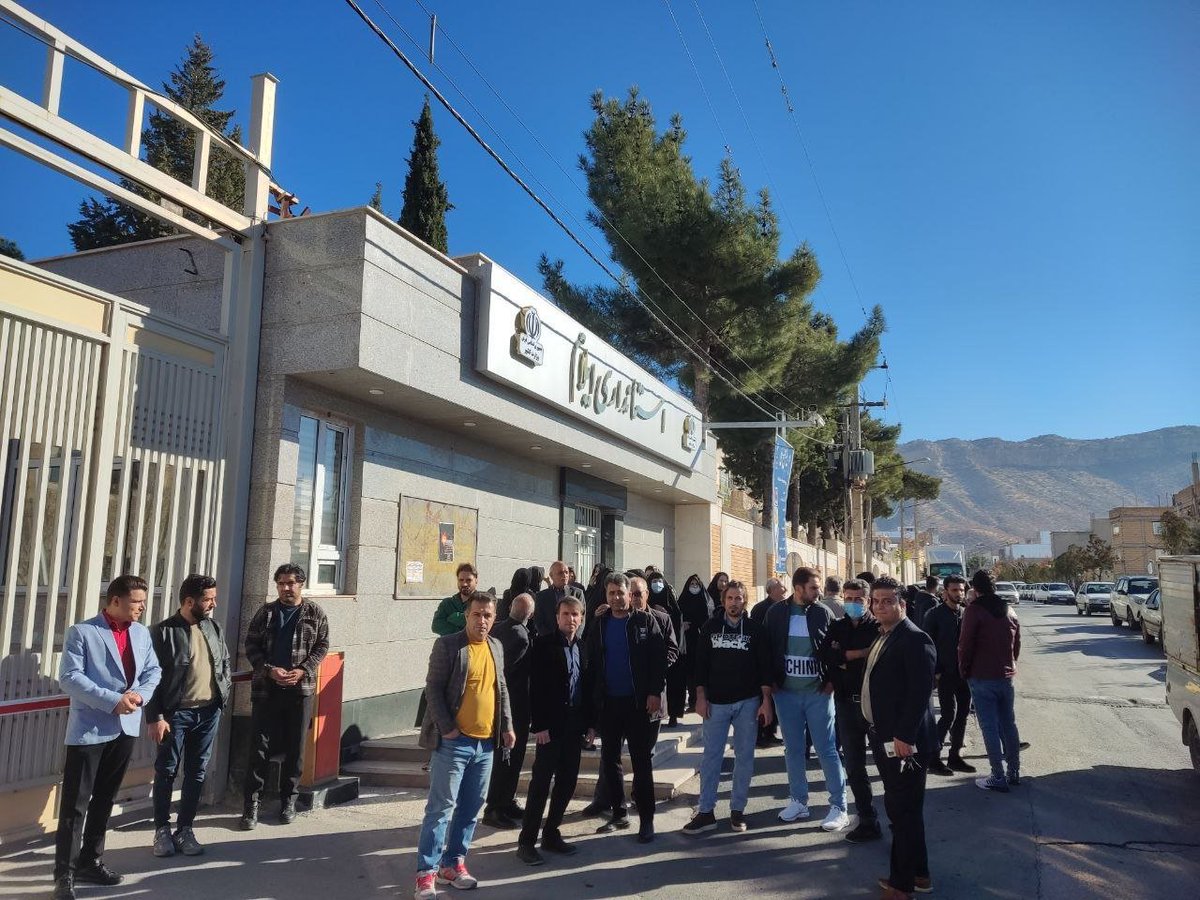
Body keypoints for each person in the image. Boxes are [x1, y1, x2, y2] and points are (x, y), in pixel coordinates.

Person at [53, 575, 162, 900]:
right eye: (136, 602)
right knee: (75, 805)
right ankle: (64, 875)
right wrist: (111, 700)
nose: (142, 607)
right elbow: (69, 678)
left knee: (104, 799)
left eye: (143, 602)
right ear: (115, 601)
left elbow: (152, 671)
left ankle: (91, 861)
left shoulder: (141, 633)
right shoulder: (83, 632)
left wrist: (139, 697)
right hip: (89, 729)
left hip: (125, 727)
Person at [415, 592, 516, 899]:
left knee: (471, 808)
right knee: (440, 809)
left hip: (485, 745)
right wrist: (447, 728)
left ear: (494, 617)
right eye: (477, 614)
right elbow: (432, 688)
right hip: (454, 743)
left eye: (488, 615)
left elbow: (502, 689)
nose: (482, 620)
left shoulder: (496, 646)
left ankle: (453, 864)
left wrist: (508, 726)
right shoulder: (448, 645)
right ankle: (425, 874)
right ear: (466, 616)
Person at [146, 574, 233, 858]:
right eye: (208, 599)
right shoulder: (162, 632)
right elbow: (151, 679)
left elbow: (225, 663)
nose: (213, 604)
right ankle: (161, 830)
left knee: (197, 772)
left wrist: (223, 698)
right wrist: (155, 716)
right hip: (175, 715)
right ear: (189, 601)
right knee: (167, 771)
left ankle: (185, 829)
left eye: (214, 598)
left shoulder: (214, 627)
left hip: (208, 712)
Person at [861, 576, 937, 899]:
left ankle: (901, 886)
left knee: (901, 812)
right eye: (876, 601)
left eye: (888, 601)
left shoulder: (915, 639)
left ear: (902, 605)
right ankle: (920, 875)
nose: (880, 606)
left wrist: (904, 736)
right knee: (908, 810)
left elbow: (920, 694)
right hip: (885, 736)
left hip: (903, 743)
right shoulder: (886, 634)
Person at [240, 563, 330, 830]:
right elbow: (251, 645)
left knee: (295, 748)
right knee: (259, 747)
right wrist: (269, 670)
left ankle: (288, 801)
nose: (285, 588)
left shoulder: (314, 613)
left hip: (299, 691)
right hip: (267, 689)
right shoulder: (266, 613)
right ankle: (251, 804)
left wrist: (303, 670)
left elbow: (322, 645)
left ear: (301, 584)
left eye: (290, 583)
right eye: (281, 583)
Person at [683, 580, 773, 835]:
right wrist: (700, 696)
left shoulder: (756, 629)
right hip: (716, 704)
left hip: (748, 702)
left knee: (744, 757)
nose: (735, 603)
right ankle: (706, 811)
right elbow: (700, 666)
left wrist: (766, 701)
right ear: (723, 601)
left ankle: (737, 810)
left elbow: (764, 667)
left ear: (745, 601)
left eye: (739, 598)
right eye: (730, 598)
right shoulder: (709, 628)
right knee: (711, 758)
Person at [765, 567, 850, 832]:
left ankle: (839, 805)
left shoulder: (822, 613)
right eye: (813, 588)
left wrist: (832, 681)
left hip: (818, 694)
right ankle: (799, 801)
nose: (818, 592)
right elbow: (766, 650)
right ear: (798, 588)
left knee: (827, 750)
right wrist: (771, 687)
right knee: (793, 750)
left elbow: (835, 649)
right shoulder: (776, 613)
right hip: (786, 694)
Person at [587, 572, 668, 843]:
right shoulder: (599, 624)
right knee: (610, 761)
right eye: (611, 594)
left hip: (638, 704)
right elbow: (592, 663)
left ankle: (647, 819)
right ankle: (619, 813)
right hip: (609, 704)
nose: (616, 598)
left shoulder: (645, 621)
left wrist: (654, 693)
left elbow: (658, 660)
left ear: (629, 594)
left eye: (620, 593)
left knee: (641, 761)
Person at [516, 595, 594, 866]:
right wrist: (539, 726)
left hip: (574, 726)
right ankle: (527, 841)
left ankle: (551, 833)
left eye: (575, 614)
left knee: (567, 781)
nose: (570, 619)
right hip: (550, 727)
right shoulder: (543, 645)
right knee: (540, 784)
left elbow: (588, 688)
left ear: (581, 617)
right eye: (565, 614)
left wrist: (591, 725)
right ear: (557, 617)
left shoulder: (584, 647)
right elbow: (535, 688)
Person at [819, 578, 883, 843]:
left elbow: (878, 659)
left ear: (868, 601)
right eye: (849, 599)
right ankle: (867, 819)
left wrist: (844, 655)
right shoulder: (837, 626)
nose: (853, 603)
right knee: (855, 766)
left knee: (885, 764)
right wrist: (857, 655)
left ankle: (898, 818)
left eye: (858, 599)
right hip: (845, 703)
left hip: (874, 706)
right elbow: (826, 656)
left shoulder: (878, 627)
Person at [959, 569, 1022, 792]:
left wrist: (964, 670)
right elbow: (1017, 643)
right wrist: (1010, 664)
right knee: (1008, 724)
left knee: (989, 727)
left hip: (981, 676)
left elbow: (965, 644)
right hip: (1005, 677)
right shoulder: (1009, 610)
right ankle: (1014, 771)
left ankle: (997, 775)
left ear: (973, 588)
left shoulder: (974, 611)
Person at [482, 593, 535, 828]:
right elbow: (506, 673)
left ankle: (506, 801)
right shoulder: (521, 636)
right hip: (513, 707)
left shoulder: (498, 629)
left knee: (508, 758)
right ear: (531, 614)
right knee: (509, 758)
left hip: (501, 705)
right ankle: (495, 807)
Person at [922, 574, 976, 776]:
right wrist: (935, 672)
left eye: (961, 590)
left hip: (964, 674)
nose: (959, 593)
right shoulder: (934, 615)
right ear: (945, 592)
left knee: (962, 714)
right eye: (954, 590)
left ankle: (955, 756)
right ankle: (933, 758)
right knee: (948, 715)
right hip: (944, 674)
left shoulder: (965, 613)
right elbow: (927, 645)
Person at [647, 570, 686, 726]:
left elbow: (678, 624)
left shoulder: (671, 603)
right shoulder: (645, 605)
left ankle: (674, 714)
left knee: (673, 684)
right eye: (654, 581)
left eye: (660, 581)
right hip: (650, 653)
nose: (657, 584)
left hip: (671, 652)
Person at [751, 578, 788, 747]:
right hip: (764, 659)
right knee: (762, 699)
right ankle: (760, 734)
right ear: (771, 590)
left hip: (779, 659)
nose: (785, 589)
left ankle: (771, 732)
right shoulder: (760, 609)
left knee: (774, 700)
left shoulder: (784, 608)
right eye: (781, 587)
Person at [678, 573, 711, 711]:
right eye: (692, 584)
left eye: (697, 584)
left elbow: (709, 617)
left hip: (703, 640)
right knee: (690, 673)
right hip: (688, 640)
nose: (694, 587)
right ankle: (692, 701)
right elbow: (677, 615)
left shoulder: (706, 600)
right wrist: (681, 625)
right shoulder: (683, 599)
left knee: (702, 671)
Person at [533, 560, 587, 637]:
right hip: (550, 642)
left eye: (566, 572)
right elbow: (539, 621)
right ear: (551, 576)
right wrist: (551, 639)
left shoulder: (577, 593)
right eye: (560, 573)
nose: (564, 575)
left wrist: (574, 638)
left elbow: (582, 618)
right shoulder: (541, 596)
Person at [432, 563, 479, 637]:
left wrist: (457, 618)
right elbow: (436, 626)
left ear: (476, 581)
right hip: (449, 647)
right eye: (461, 580)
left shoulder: (482, 603)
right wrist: (466, 624)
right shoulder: (446, 603)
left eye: (468, 580)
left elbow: (482, 627)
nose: (464, 584)